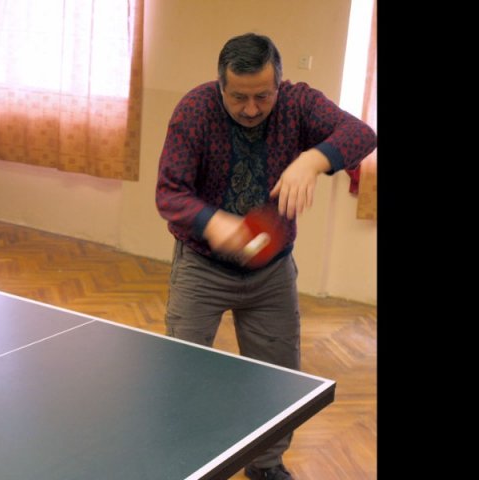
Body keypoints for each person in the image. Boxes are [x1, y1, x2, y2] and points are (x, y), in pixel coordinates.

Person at [155, 33, 376, 480]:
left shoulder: (299, 104)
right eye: (239, 97)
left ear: (279, 84)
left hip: (272, 274)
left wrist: (312, 160)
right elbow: (169, 193)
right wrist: (212, 222)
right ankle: (181, 462)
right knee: (181, 373)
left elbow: (363, 134)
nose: (252, 109)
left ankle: (266, 465)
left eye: (263, 96)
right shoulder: (194, 110)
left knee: (278, 379)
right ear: (220, 85)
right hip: (201, 269)